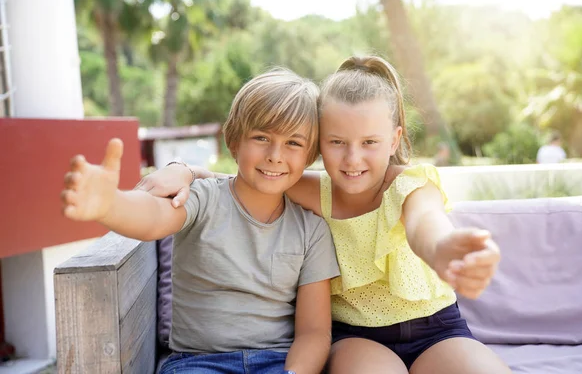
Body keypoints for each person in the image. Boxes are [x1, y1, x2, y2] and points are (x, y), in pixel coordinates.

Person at [138, 56, 511, 373]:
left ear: (394, 140)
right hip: (356, 336)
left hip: (436, 329)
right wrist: (180, 169)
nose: (352, 159)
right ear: (318, 145)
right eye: (337, 143)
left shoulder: (412, 185)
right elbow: (240, 177)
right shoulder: (313, 189)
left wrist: (442, 249)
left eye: (370, 143)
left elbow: (424, 224)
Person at [60, 69, 340, 374]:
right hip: (198, 363)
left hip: (278, 362)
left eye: (293, 143)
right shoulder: (203, 198)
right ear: (234, 141)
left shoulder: (311, 230)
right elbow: (154, 217)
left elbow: (314, 332)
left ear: (310, 154)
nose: (275, 155)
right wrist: (110, 205)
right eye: (261, 137)